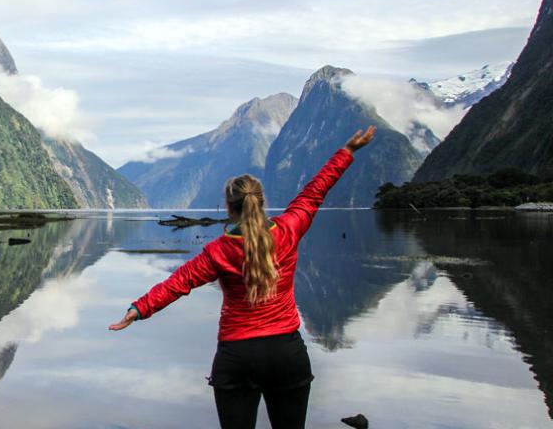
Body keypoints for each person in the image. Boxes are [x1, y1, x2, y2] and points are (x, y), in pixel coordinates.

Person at [109, 126, 377, 428]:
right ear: (262, 202)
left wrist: (139, 309)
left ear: (229, 208)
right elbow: (315, 191)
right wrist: (348, 151)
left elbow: (177, 283)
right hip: (287, 353)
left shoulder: (218, 251)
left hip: (237, 356)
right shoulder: (289, 229)